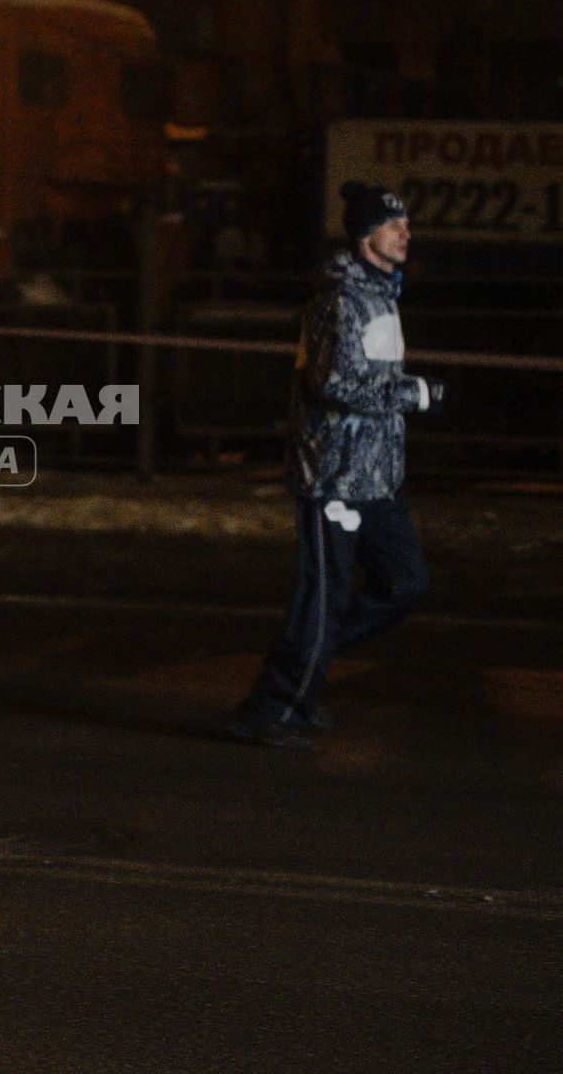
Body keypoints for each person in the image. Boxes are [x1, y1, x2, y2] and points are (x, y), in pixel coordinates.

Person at [229, 182, 444, 749]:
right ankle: (273, 708)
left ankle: (301, 670)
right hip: (335, 476)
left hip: (375, 477)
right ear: (365, 234)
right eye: (394, 225)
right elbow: (332, 383)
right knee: (321, 598)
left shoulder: (380, 293)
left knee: (405, 584)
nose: (406, 234)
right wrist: (413, 394)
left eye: (406, 224)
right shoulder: (342, 298)